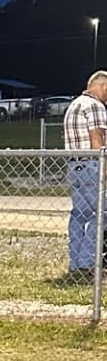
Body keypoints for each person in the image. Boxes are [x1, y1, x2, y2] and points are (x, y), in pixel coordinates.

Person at [63, 71, 107, 275]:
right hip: (92, 165)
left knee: (79, 215)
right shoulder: (95, 105)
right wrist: (104, 172)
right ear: (102, 86)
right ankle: (88, 262)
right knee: (101, 214)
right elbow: (98, 140)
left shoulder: (74, 105)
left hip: (75, 166)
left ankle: (75, 262)